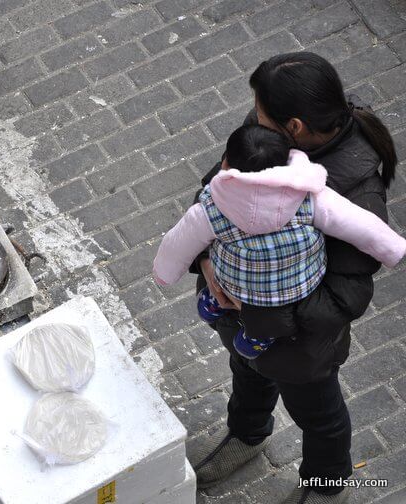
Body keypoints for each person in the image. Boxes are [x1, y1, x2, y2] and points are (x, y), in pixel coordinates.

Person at [182, 53, 398, 504]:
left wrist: (268, 311)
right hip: (239, 318)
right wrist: (204, 259)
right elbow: (213, 191)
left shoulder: (355, 189)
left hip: (300, 343)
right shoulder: (266, 134)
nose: (252, 120)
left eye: (260, 113)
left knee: (320, 417)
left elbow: (349, 292)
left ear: (294, 127)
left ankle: (325, 483)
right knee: (246, 372)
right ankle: (247, 434)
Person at [153, 125, 405, 360]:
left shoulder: (210, 208)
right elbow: (359, 224)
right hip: (300, 287)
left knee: (223, 264)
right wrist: (393, 248)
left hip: (235, 284)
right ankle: (259, 336)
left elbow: (178, 244)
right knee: (268, 318)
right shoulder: (310, 196)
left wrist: (164, 274)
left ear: (226, 165)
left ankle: (213, 299)